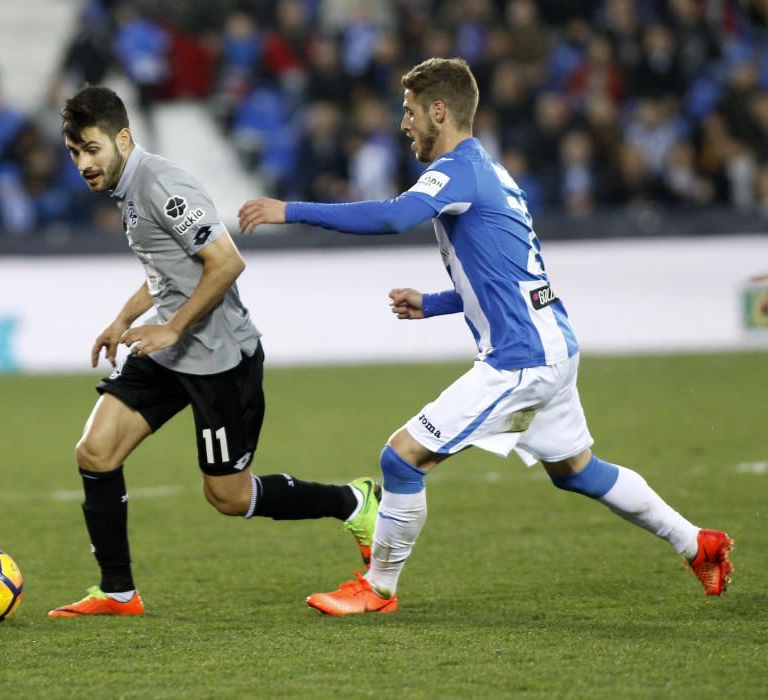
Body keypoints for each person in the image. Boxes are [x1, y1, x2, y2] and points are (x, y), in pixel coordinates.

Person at [238, 57, 733, 615]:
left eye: (409, 111)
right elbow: (509, 274)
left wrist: (290, 209)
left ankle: (377, 587)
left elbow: (392, 218)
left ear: (439, 110)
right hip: (552, 342)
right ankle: (697, 543)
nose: (403, 123)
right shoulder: (490, 171)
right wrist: (438, 302)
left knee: (401, 458)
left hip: (522, 357)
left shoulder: (457, 171)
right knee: (578, 471)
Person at [48, 86, 380, 617]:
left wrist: (173, 328)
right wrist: (125, 319)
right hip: (171, 348)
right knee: (95, 452)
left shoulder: (162, 185)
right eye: (74, 153)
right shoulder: (128, 189)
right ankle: (117, 593)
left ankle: (353, 502)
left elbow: (226, 263)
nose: (83, 163)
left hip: (220, 359)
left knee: (228, 496)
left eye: (91, 149)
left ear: (123, 138)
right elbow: (168, 269)